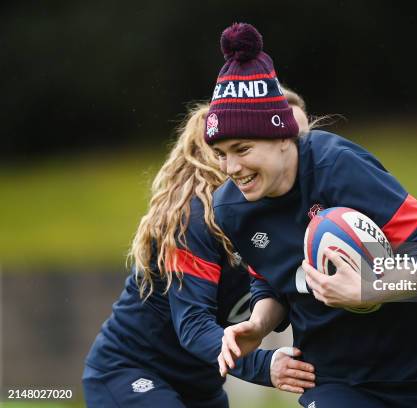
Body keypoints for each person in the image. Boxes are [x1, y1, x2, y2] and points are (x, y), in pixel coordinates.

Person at [188, 23, 417, 407]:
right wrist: (259, 324)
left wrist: (371, 288)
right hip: (340, 383)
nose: (231, 167)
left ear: (282, 137)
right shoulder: (231, 209)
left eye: (242, 148)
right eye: (221, 154)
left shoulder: (341, 168)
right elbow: (271, 281)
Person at [82, 95, 316, 408]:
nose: (299, 148)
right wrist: (265, 366)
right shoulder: (193, 221)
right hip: (131, 374)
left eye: (300, 138)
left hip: (201, 386)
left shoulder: (293, 213)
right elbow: (193, 325)